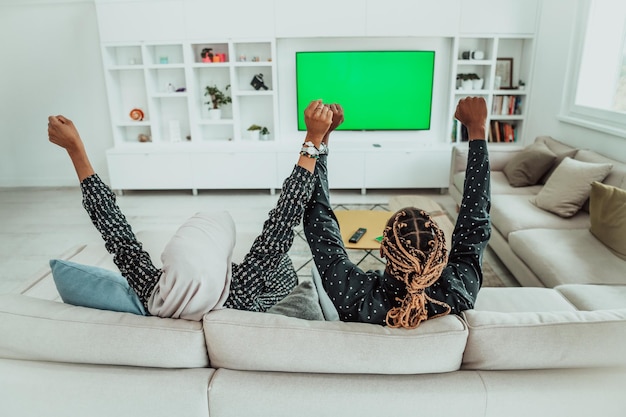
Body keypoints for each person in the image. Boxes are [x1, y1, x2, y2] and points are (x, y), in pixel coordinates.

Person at [47, 99, 334, 320]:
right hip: (273, 294)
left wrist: (76, 150)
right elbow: (283, 220)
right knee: (278, 259)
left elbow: (115, 231)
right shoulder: (243, 291)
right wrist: (316, 141)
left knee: (271, 252)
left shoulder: (157, 294)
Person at [303, 96, 491, 329]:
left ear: (382, 249)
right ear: (441, 253)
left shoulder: (354, 296)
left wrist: (320, 139)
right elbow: (475, 222)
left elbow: (318, 221)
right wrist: (478, 130)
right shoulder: (459, 292)